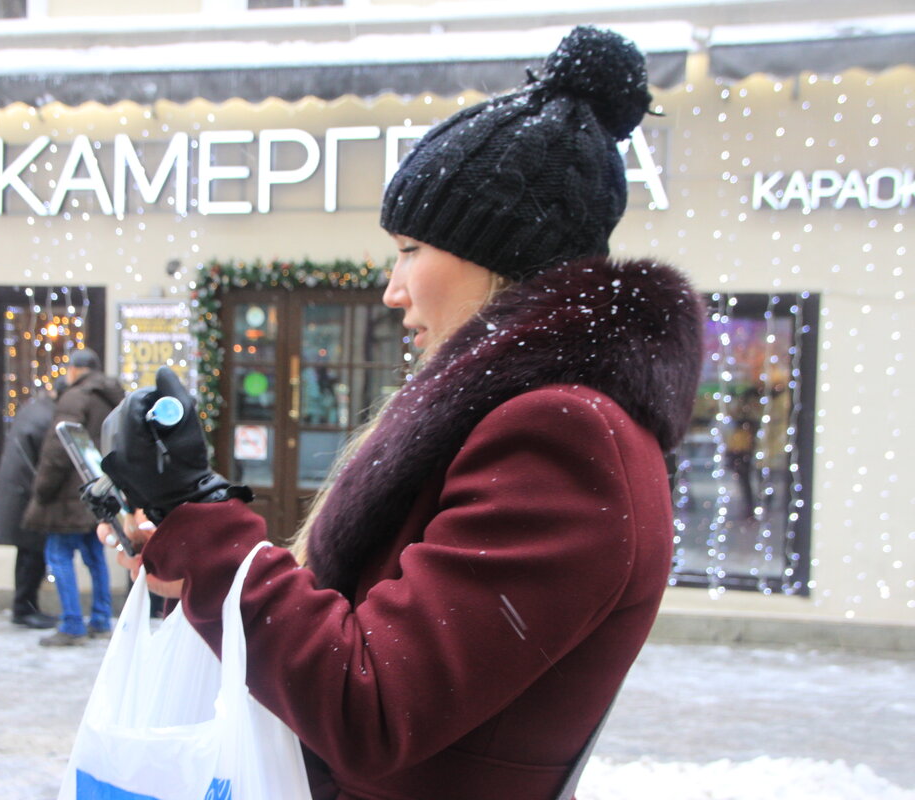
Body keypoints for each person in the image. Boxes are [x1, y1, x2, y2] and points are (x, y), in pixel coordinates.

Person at [99, 27, 704, 800]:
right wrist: (189, 559)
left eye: (411, 248)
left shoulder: (563, 436)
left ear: (500, 255)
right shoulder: (526, 418)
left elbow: (371, 706)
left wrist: (208, 528)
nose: (392, 289)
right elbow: (354, 645)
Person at [23, 349, 125, 647]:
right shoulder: (112, 398)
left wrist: (42, 490)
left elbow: (57, 450)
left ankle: (71, 624)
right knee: (95, 556)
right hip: (99, 491)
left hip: (68, 497)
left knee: (59, 555)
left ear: (75, 369)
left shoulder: (74, 397)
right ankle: (101, 619)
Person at [0, 380, 62, 629]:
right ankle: (24, 608)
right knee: (32, 554)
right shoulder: (47, 416)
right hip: (26, 495)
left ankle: (26, 606)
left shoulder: (36, 409)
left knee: (29, 553)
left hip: (19, 493)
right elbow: (49, 460)